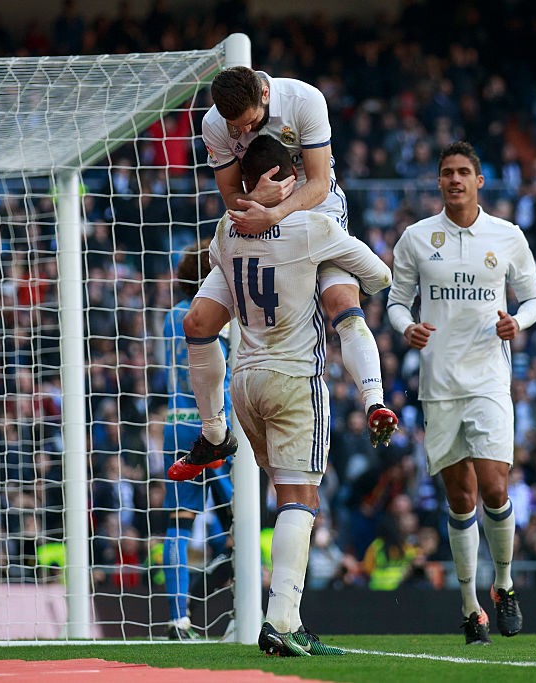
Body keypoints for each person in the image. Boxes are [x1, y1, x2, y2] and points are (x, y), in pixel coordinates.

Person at [174, 134, 392, 656]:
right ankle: (283, 622)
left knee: (284, 494)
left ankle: (285, 619)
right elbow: (380, 276)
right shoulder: (313, 226)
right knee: (302, 500)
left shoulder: (227, 229)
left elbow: (209, 295)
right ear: (287, 178)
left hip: (243, 379)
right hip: (294, 377)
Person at [174, 65, 397, 482]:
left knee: (341, 305)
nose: (242, 131)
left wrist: (275, 212)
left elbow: (318, 182)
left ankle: (374, 400)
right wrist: (255, 203)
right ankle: (214, 433)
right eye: (235, 127)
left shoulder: (304, 100)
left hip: (314, 216)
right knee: (197, 321)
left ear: (263, 92)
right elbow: (229, 195)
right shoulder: (214, 124)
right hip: (255, 216)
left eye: (250, 122)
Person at [387, 140, 536, 645]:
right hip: (439, 384)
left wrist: (517, 321)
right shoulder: (416, 238)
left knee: (495, 486)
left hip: (489, 380)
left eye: (463, 173)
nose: (455, 180)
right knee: (460, 497)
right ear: (438, 182)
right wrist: (404, 327)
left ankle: (504, 584)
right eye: (447, 173)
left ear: (479, 181)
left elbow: (535, 297)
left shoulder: (507, 236)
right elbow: (395, 302)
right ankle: (470, 606)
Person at [161, 240, 235, 640]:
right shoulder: (221, 319)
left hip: (175, 423)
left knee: (178, 524)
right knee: (239, 518)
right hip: (215, 427)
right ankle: (243, 610)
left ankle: (178, 619)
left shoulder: (170, 318)